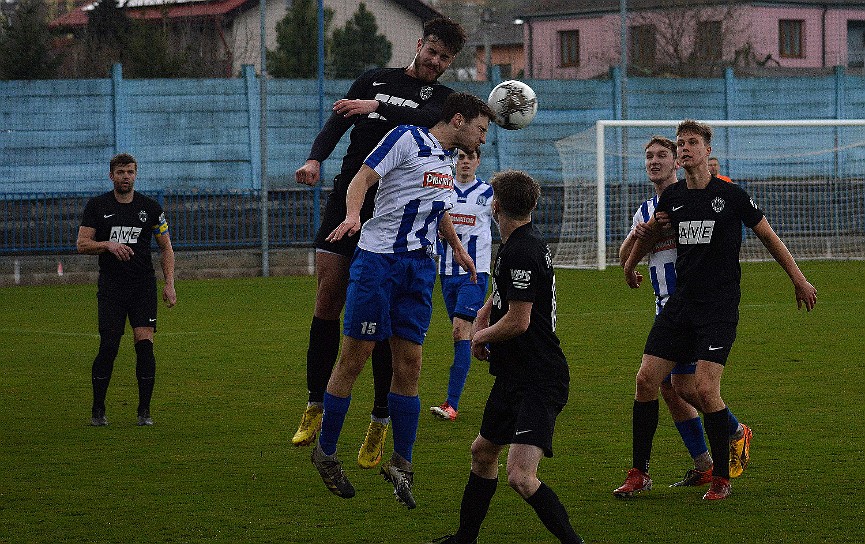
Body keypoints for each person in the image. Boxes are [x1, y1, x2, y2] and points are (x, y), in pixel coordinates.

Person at [292, 18, 467, 471]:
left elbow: (423, 120)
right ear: (419, 44)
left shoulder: (443, 102)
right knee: (327, 300)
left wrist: (379, 105)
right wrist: (314, 157)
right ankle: (316, 403)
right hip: (350, 195)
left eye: (445, 57)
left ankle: (379, 419)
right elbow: (338, 121)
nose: (436, 61)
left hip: (396, 216)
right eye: (432, 50)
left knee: (388, 329)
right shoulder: (374, 78)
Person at [310, 92, 494, 509]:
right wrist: (354, 214)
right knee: (354, 358)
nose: (482, 141)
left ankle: (401, 463)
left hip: (419, 268)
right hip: (378, 262)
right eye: (481, 130)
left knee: (410, 364)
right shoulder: (405, 138)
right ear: (459, 119)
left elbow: (438, 208)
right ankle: (327, 451)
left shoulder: (447, 161)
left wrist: (459, 249)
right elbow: (361, 179)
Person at [617, 120, 816, 501]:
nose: (686, 148)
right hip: (680, 306)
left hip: (717, 309)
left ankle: (721, 478)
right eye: (681, 143)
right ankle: (639, 473)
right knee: (647, 380)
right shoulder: (672, 197)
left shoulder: (732, 195)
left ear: (708, 151)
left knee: (704, 389)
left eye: (692, 142)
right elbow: (655, 235)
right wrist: (629, 268)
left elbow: (768, 237)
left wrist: (799, 279)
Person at [433, 170, 583, 544]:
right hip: (515, 374)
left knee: (520, 476)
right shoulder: (521, 241)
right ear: (531, 206)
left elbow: (519, 320)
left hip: (539, 378)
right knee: (483, 453)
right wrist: (485, 314)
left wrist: (478, 335)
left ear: (495, 205)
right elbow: (503, 298)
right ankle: (464, 538)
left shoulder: (520, 250)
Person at [619, 137, 751, 489]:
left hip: (696, 308)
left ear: (677, 161)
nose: (654, 161)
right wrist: (638, 241)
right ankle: (705, 462)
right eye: (648, 156)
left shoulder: (689, 200)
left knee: (690, 389)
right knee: (669, 387)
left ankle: (733, 432)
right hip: (667, 309)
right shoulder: (647, 209)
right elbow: (626, 257)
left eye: (662, 155)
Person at [77, 153, 177, 427]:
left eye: (130, 172)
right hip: (111, 288)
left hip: (142, 287)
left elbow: (166, 247)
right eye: (120, 172)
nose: (125, 177)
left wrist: (169, 283)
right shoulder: (98, 206)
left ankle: (144, 412)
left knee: (145, 348)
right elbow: (82, 244)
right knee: (108, 347)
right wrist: (107, 245)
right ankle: (98, 411)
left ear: (136, 174)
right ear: (111, 176)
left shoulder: (151, 208)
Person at [430, 147, 493, 422]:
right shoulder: (443, 190)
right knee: (463, 338)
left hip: (475, 273)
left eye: (470, 157)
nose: (465, 162)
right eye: (461, 157)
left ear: (478, 161)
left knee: (459, 332)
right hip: (446, 273)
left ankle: (451, 404)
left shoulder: (490, 194)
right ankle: (491, 342)